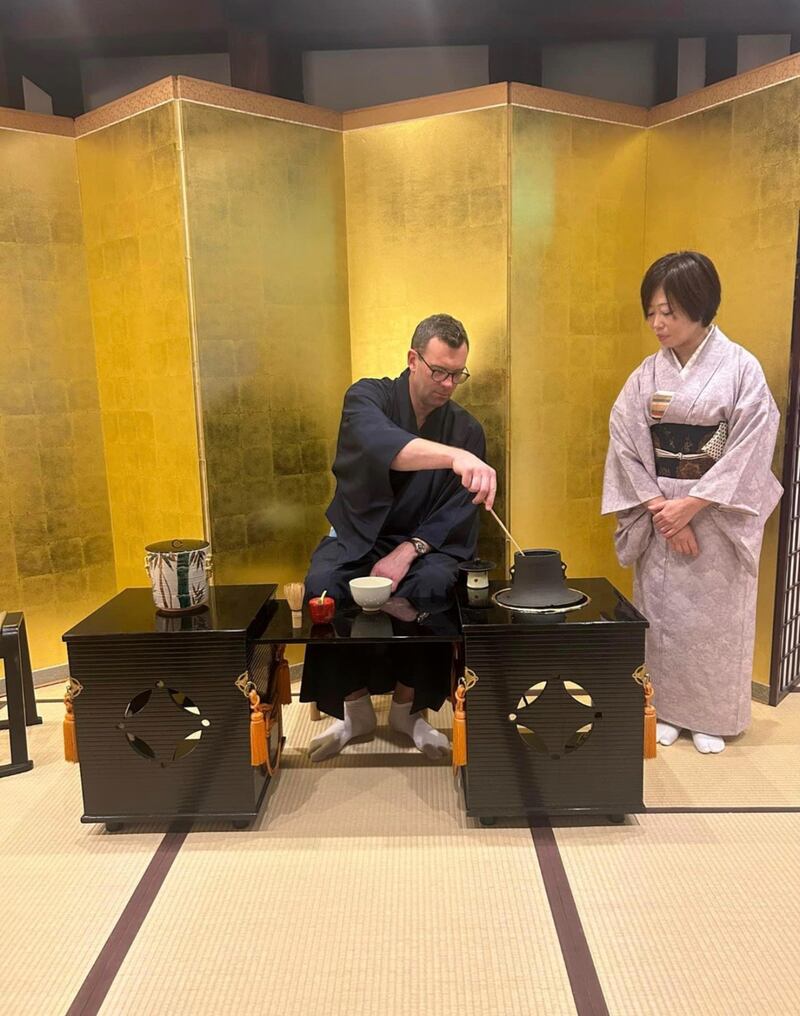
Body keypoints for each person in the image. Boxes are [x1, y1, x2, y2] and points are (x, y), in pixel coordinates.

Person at [602, 251, 782, 754]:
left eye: (670, 312)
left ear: (701, 308)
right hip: (660, 513)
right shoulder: (645, 374)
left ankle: (712, 716)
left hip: (717, 518)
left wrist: (694, 505)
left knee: (714, 623)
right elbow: (625, 439)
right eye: (652, 311)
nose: (658, 323)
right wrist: (663, 510)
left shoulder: (741, 368)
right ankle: (663, 708)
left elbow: (751, 445)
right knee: (662, 620)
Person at [301, 313, 496, 762]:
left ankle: (410, 710)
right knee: (323, 587)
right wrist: (456, 458)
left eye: (457, 375)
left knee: (431, 590)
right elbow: (383, 444)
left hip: (426, 542)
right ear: (413, 359)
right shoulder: (367, 397)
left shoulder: (466, 430)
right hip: (359, 532)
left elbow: (454, 513)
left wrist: (408, 552)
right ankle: (354, 710)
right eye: (439, 372)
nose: (448, 385)